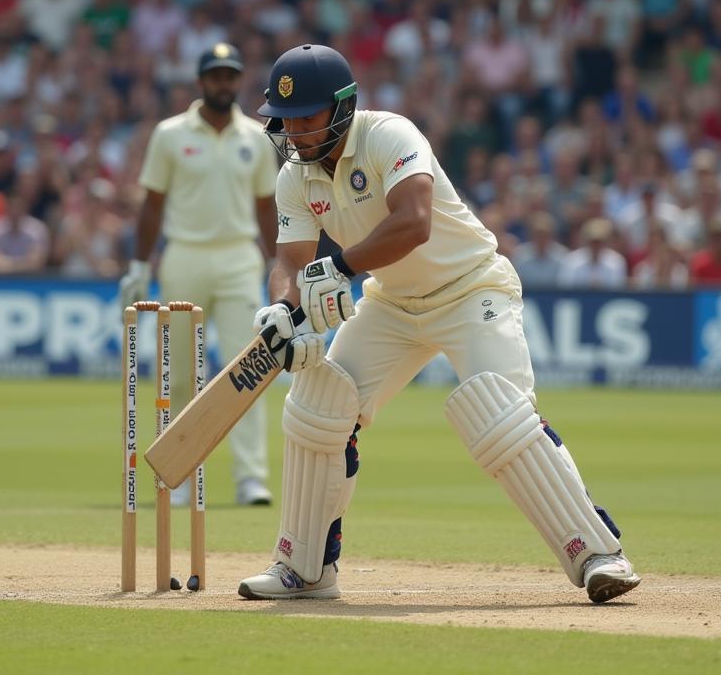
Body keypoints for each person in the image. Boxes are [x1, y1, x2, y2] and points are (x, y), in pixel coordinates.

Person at [237, 43, 640, 603]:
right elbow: (289, 263)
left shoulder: (390, 135)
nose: (296, 132)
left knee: (501, 415)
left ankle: (599, 553)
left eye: (307, 116)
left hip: (471, 289)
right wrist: (285, 309)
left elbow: (415, 223)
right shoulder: (296, 177)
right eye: (286, 121)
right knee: (318, 406)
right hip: (392, 304)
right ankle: (304, 569)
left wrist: (342, 266)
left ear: (342, 107)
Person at [118, 43, 279, 507]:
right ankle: (180, 470)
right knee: (179, 373)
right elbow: (152, 203)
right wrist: (137, 264)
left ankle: (251, 477)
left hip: (238, 258)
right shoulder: (170, 134)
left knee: (246, 370)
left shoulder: (256, 136)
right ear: (201, 80)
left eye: (231, 76)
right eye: (216, 76)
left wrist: (276, 264)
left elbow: (266, 206)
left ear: (238, 80)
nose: (224, 84)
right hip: (184, 255)